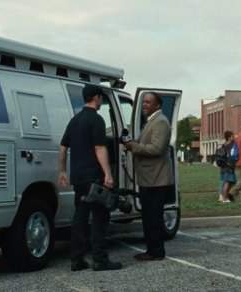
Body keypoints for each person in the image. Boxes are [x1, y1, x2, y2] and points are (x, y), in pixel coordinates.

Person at [57, 85, 122, 272]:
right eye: (101, 97)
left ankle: (77, 259)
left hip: (78, 178)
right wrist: (108, 173)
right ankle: (100, 260)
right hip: (94, 177)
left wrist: (62, 171)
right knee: (100, 217)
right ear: (96, 98)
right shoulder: (97, 120)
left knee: (80, 217)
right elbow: (99, 148)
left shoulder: (74, 120)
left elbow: (63, 147)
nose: (101, 101)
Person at [123, 92, 173, 262]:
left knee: (154, 217)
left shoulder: (161, 122)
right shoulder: (151, 121)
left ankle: (156, 252)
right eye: (144, 102)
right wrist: (131, 143)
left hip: (156, 179)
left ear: (157, 105)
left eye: (148, 102)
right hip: (149, 178)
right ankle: (151, 250)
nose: (144, 105)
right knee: (148, 216)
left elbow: (157, 149)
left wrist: (134, 147)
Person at [215, 131, 237, 203]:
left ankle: (223, 197)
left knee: (228, 182)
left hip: (223, 166)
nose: (234, 137)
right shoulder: (231, 145)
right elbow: (233, 155)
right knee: (227, 182)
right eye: (232, 136)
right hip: (228, 166)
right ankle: (225, 198)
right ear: (229, 137)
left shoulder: (223, 145)